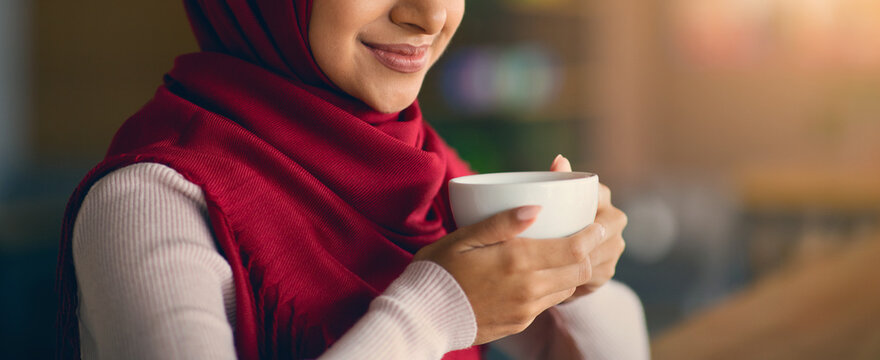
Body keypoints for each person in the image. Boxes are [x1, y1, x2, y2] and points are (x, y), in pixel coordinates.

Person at [55, 0, 650, 359]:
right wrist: (440, 310)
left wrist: (572, 276)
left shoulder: (426, 165)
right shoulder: (149, 202)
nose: (431, 15)